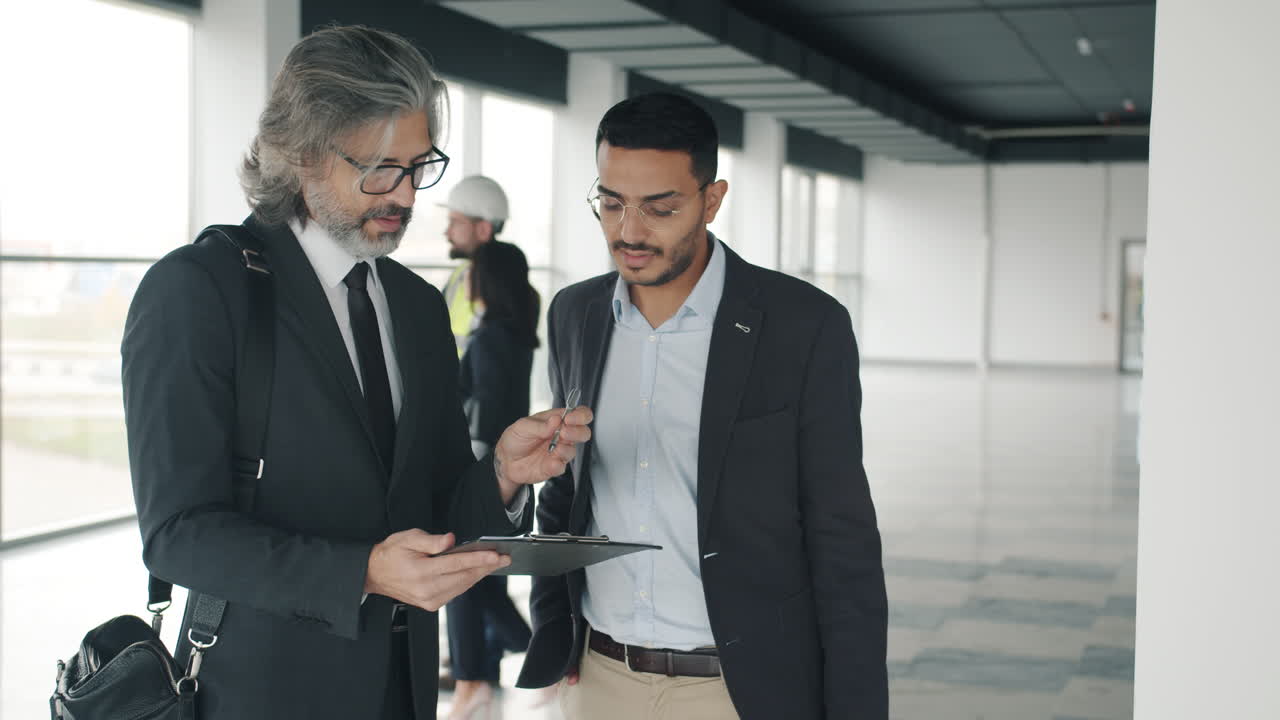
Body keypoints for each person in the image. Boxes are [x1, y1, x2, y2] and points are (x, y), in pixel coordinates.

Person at [121, 26, 590, 720]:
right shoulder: (200, 289)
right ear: (300, 154)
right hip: (265, 694)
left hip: (402, 693)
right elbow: (178, 533)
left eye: (417, 165)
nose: (403, 195)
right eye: (377, 168)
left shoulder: (418, 306)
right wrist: (363, 572)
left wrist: (501, 476)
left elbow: (427, 514)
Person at [515, 92, 888, 719]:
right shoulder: (575, 313)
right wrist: (555, 635)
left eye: (660, 208)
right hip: (601, 677)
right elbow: (565, 492)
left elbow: (842, 536)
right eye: (610, 203)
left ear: (711, 201)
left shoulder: (804, 326)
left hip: (738, 689)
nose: (629, 231)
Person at [445, 241, 540, 718]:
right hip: (497, 467)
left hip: (483, 467)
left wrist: (474, 472)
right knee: (482, 577)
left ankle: (481, 675)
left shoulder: (493, 338)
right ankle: (481, 675)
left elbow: (486, 411)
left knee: (464, 574)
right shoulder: (513, 333)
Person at [440, 175, 509, 355]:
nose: (447, 232)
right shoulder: (462, 272)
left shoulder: (501, 283)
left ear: (484, 230)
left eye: (454, 222)